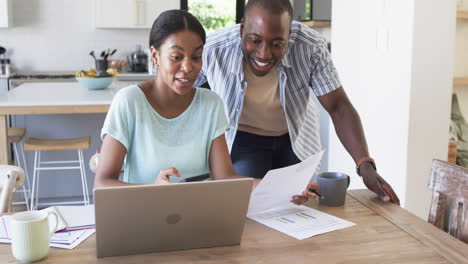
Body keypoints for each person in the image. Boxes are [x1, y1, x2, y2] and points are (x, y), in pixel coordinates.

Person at [93, 9, 315, 204]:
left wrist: (285, 189)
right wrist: (152, 189)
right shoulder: (129, 102)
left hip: (202, 217)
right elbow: (102, 184)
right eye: (176, 56)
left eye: (196, 57)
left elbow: (226, 179)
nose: (188, 67)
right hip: (144, 217)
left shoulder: (210, 104)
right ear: (155, 55)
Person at [194, 0, 400, 204]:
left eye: (276, 44)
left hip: (294, 139)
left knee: (298, 208)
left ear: (289, 35)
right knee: (251, 211)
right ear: (241, 29)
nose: (264, 54)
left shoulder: (310, 47)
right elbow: (176, 88)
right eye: (255, 40)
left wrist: (364, 164)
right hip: (242, 140)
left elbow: (338, 107)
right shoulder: (214, 48)